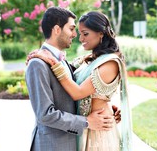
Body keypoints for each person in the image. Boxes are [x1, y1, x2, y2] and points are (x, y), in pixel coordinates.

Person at [28, 10, 132, 151]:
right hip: (54, 144)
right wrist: (87, 121)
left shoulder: (59, 61)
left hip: (93, 136)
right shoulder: (39, 63)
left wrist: (103, 104)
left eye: (85, 33)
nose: (77, 36)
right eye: (72, 29)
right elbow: (45, 115)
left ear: (100, 33)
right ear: (57, 30)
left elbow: (80, 91)